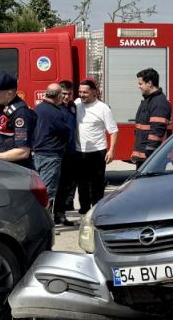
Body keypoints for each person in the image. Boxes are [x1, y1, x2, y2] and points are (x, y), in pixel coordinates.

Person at [74, 79, 119, 214]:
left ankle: (97, 211)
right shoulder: (76, 104)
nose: (81, 95)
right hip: (79, 151)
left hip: (97, 152)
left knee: (97, 184)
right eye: (80, 92)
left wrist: (111, 151)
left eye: (85, 92)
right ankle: (84, 210)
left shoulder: (103, 108)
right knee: (81, 184)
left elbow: (113, 131)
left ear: (94, 93)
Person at [33, 83, 74, 225]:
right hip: (51, 155)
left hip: (37, 153)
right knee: (47, 193)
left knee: (39, 189)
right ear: (57, 96)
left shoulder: (38, 108)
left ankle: (42, 220)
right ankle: (44, 224)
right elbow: (65, 132)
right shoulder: (56, 112)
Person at [0, 72, 36, 169]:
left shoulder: (21, 114)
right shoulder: (2, 106)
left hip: (17, 169)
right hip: (3, 166)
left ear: (9, 93)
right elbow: (7, 132)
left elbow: (23, 152)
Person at [131, 67, 171, 166]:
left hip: (151, 157)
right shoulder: (149, 100)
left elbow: (157, 130)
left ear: (149, 83)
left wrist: (150, 153)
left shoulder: (159, 102)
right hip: (145, 155)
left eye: (140, 83)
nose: (138, 86)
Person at [54, 80, 80, 225]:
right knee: (53, 186)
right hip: (56, 153)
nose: (66, 97)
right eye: (64, 94)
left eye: (69, 94)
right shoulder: (54, 107)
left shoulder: (72, 107)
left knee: (65, 186)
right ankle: (48, 216)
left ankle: (60, 214)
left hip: (70, 153)